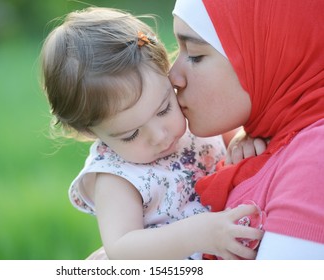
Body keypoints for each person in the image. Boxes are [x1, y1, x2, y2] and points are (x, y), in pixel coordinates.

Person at [40, 7, 264, 260]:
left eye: (163, 109)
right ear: (88, 130)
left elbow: (233, 138)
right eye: (131, 134)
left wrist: (239, 142)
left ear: (167, 75)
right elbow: (122, 248)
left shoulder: (196, 118)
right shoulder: (118, 177)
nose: (160, 135)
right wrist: (197, 235)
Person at [169, 0, 324, 259]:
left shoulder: (315, 159)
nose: (173, 76)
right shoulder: (265, 143)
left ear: (272, 51)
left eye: (194, 54)